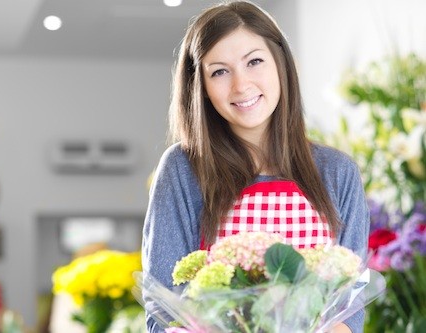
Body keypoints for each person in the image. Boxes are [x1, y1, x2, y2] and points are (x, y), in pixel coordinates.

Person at [141, 1, 370, 333]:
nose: (241, 85)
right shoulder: (183, 169)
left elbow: (350, 310)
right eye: (219, 71)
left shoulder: (337, 172)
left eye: (255, 62)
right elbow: (163, 311)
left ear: (281, 64)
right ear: (200, 87)